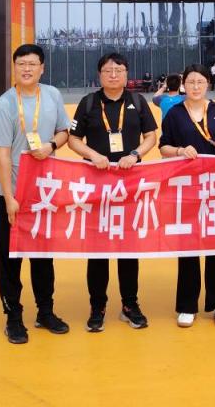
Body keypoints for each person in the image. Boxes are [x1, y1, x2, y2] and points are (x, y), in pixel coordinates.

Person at [0, 44, 72, 344]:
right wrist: (9, 197)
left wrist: (51, 146)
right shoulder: (5, 104)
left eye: (32, 64)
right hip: (14, 194)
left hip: (44, 192)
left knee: (43, 256)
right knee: (11, 257)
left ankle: (45, 312)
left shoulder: (53, 95)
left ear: (42, 68)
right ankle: (13, 316)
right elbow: (2, 155)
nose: (26, 69)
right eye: (21, 63)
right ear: (14, 68)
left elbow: (65, 131)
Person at [69, 52, 158, 333]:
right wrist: (93, 155)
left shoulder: (137, 101)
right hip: (97, 186)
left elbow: (151, 136)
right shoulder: (88, 103)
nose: (113, 75)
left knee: (128, 249)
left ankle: (130, 305)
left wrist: (135, 154)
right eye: (108, 70)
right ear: (100, 75)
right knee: (97, 250)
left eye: (119, 70)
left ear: (126, 74)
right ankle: (97, 307)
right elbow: (73, 139)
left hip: (128, 186)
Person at [159, 64, 215, 328]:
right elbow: (163, 147)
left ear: (207, 84)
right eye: (191, 82)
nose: (195, 86)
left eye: (200, 82)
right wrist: (180, 151)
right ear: (183, 84)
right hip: (186, 189)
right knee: (188, 247)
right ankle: (187, 306)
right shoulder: (175, 114)